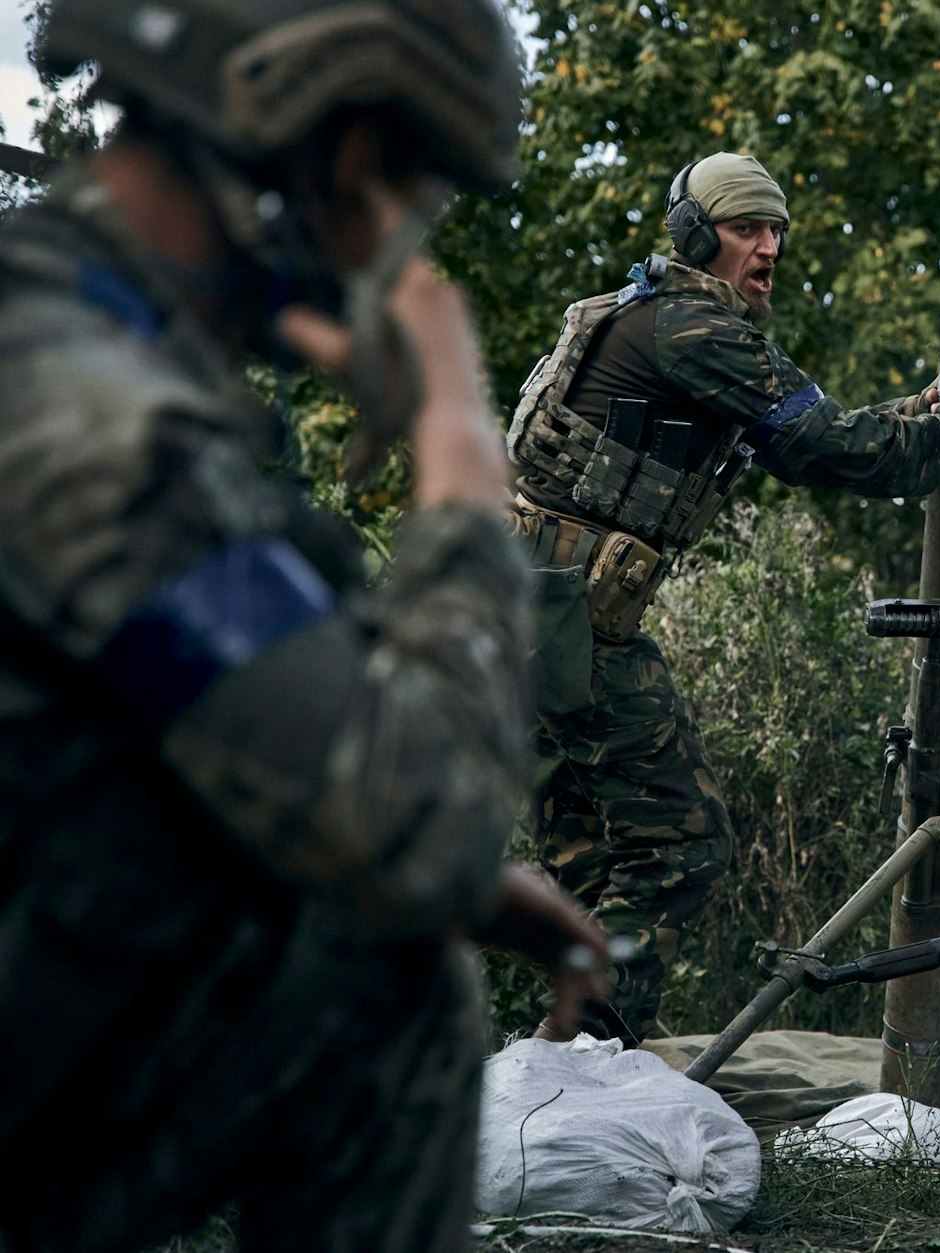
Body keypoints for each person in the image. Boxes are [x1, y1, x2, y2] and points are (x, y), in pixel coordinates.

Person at [0, 2, 612, 1249]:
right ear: (347, 166)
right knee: (382, 990)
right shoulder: (97, 422)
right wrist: (455, 452)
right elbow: (416, 820)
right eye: (421, 191)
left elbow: (134, 721)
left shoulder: (69, 338)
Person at [507, 151, 940, 1042]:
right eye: (748, 227)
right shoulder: (696, 332)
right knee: (683, 841)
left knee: (587, 860)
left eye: (776, 229)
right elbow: (830, 449)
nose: (769, 245)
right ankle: (583, 1051)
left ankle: (558, 1089)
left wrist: (918, 412)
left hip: (521, 607)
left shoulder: (655, 320)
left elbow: (796, 436)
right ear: (698, 235)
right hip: (562, 618)